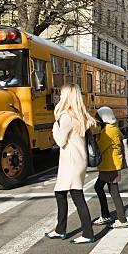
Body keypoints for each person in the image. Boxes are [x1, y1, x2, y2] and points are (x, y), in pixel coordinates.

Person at [45, 84, 96, 244]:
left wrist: (54, 127)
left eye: (62, 94)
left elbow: (60, 141)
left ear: (67, 96)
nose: (59, 96)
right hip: (78, 161)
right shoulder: (80, 115)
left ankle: (86, 233)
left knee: (75, 195)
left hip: (71, 161)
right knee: (62, 193)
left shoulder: (66, 117)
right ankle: (61, 230)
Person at [92, 106, 128, 229]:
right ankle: (106, 214)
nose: (97, 120)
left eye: (98, 118)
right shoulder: (114, 128)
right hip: (109, 165)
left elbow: (100, 147)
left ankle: (121, 219)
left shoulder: (109, 131)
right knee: (100, 187)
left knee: (113, 191)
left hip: (110, 165)